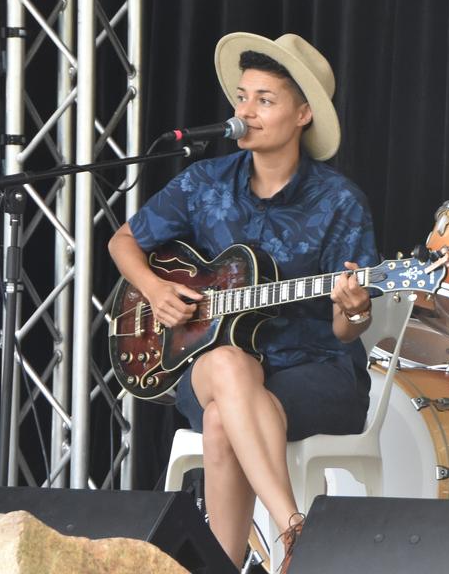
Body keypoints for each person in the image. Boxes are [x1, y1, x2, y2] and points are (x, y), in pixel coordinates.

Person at [107, 33, 378, 568]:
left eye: (264, 100)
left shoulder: (339, 202)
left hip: (312, 369)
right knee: (229, 364)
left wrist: (354, 308)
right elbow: (124, 240)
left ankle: (225, 565)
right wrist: (158, 289)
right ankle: (292, 527)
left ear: (303, 115)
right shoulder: (205, 182)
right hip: (208, 363)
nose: (245, 112)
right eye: (241, 97)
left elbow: (347, 331)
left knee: (221, 420)